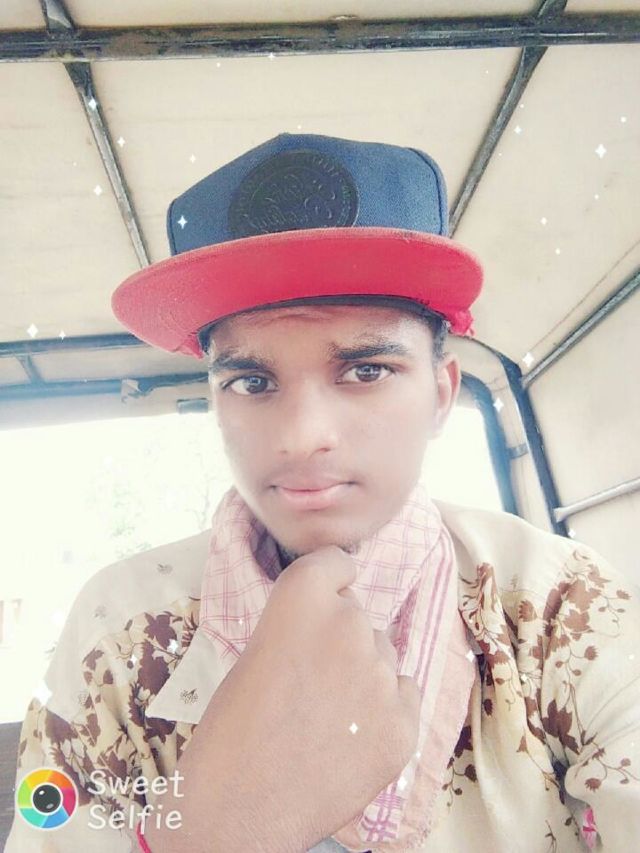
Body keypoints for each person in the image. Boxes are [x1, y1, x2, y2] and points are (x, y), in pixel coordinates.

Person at [6, 133, 639, 853]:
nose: (303, 436)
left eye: (366, 371)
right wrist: (215, 834)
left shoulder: (558, 610)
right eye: (252, 381)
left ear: (441, 394)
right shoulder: (116, 633)